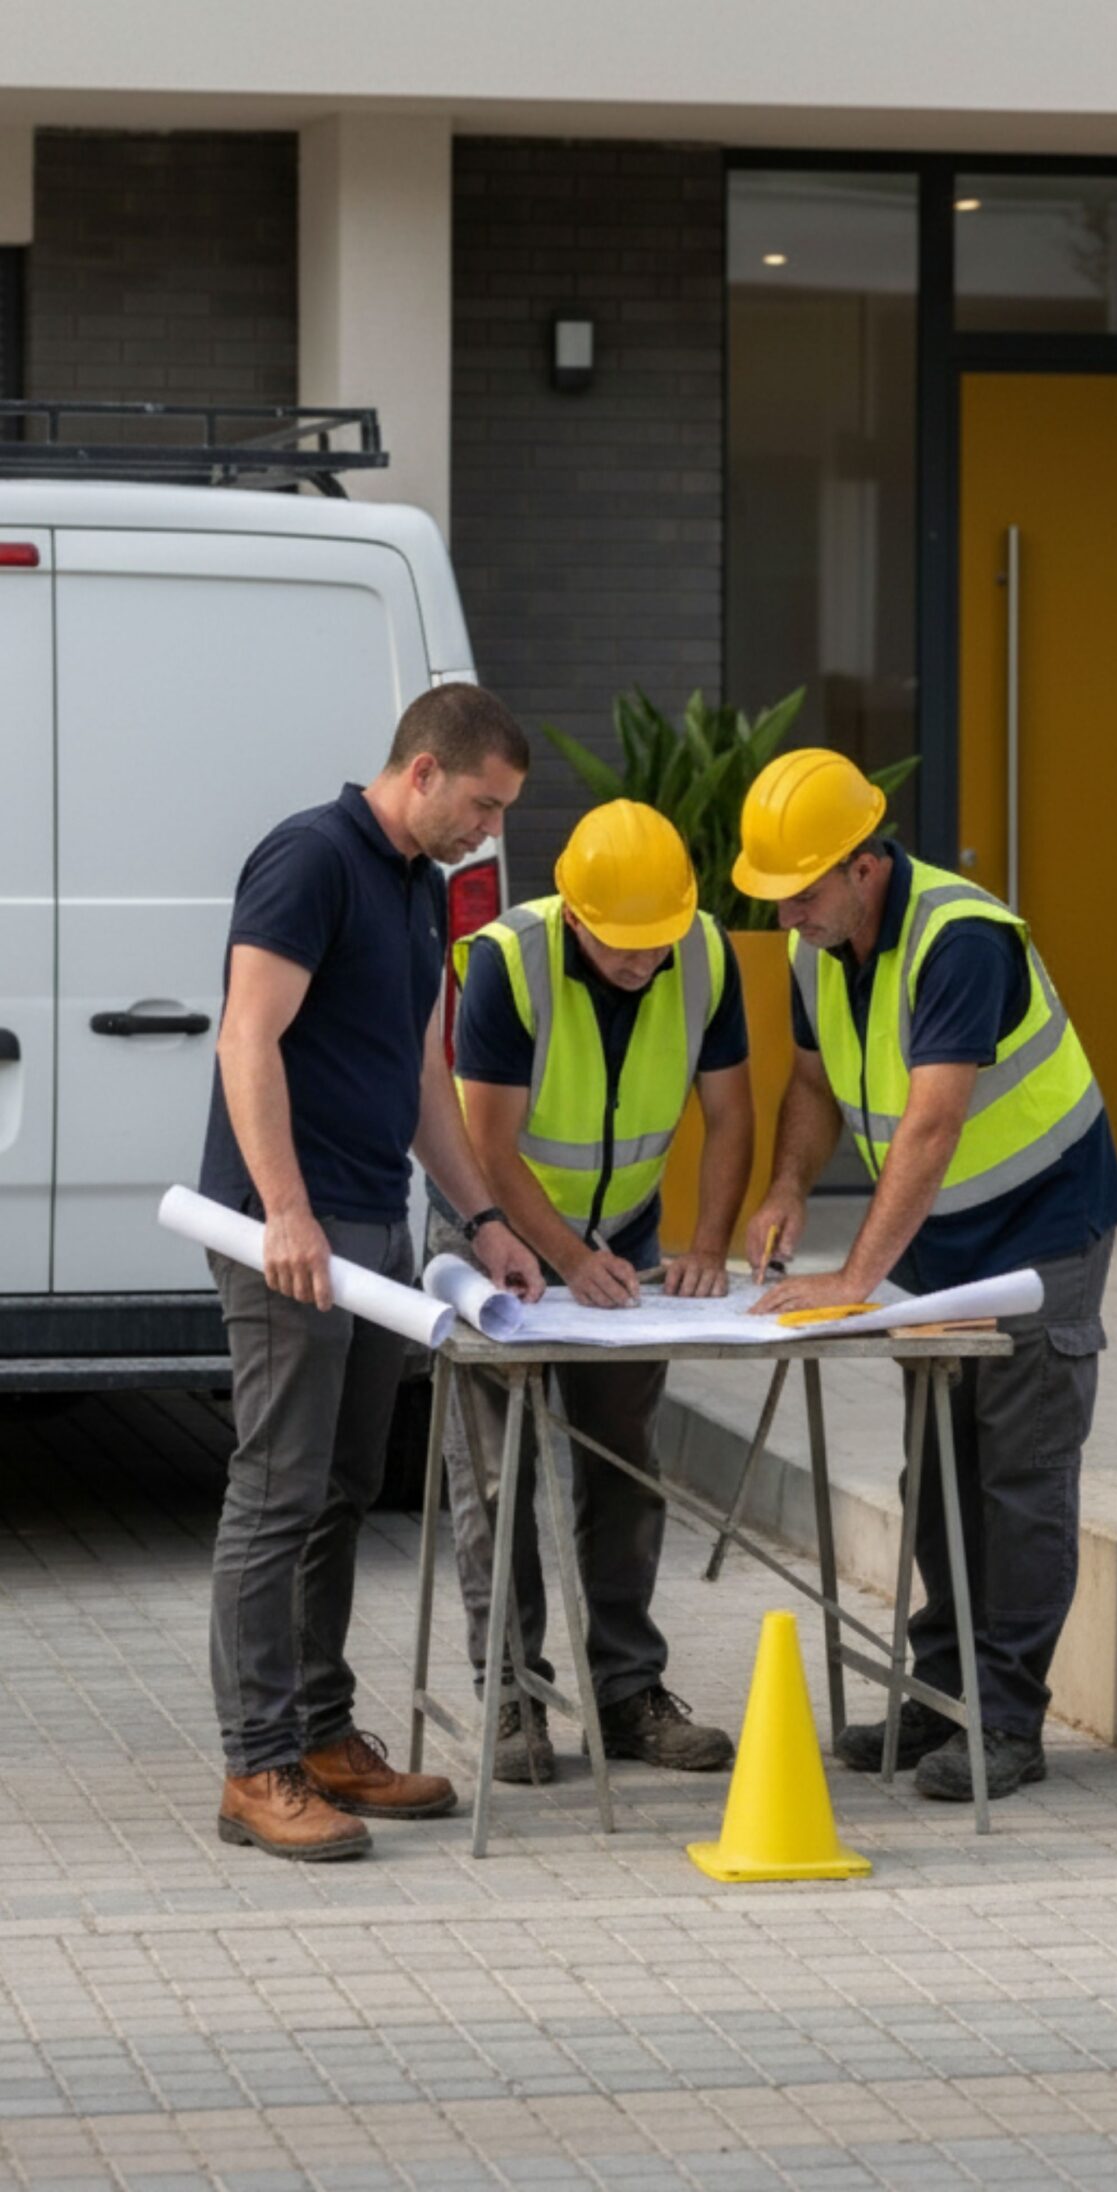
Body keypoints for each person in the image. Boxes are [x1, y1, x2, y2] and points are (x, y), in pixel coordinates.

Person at [733, 748, 1117, 1804]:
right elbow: (814, 1082)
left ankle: (1005, 1723)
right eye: (772, 900)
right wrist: (783, 1190)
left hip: (1043, 1235)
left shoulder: (960, 939)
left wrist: (854, 1276)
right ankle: (942, 1695)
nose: (786, 919)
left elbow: (935, 1120)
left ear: (865, 864)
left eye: (801, 893)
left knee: (1019, 1477)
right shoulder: (817, 945)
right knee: (938, 1471)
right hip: (939, 1245)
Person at [200, 684, 545, 1862]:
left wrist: (484, 1216)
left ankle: (323, 1732)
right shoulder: (312, 858)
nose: (488, 832)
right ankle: (257, 1765)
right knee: (279, 1488)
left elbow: (417, 1076)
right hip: (289, 1231)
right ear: (423, 772)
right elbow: (247, 1035)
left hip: (374, 1227)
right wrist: (284, 1212)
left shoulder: (422, 885)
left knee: (346, 1486)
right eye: (483, 805)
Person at [434, 797, 751, 1782]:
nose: (645, 961)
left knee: (625, 1466)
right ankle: (513, 1699)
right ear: (573, 914)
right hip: (495, 1241)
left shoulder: (701, 953)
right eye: (624, 945)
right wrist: (566, 1257)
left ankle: (626, 1696)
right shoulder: (507, 963)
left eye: (658, 941)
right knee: (497, 1475)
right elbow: (484, 1145)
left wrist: (706, 1240)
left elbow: (733, 1110)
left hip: (627, 1248)